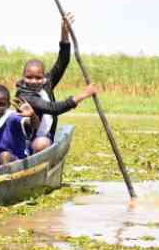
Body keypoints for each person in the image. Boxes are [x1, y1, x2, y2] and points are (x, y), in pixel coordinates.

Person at [15, 13, 98, 153]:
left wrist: (64, 32)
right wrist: (83, 95)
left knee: (44, 142)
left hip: (47, 137)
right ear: (23, 78)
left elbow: (63, 61)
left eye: (38, 78)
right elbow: (53, 108)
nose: (34, 81)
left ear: (43, 78)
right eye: (29, 77)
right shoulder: (24, 96)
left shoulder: (46, 84)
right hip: (30, 143)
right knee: (41, 144)